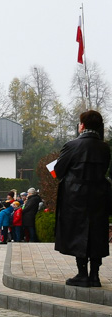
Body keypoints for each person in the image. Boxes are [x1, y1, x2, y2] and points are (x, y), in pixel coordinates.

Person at [55, 110, 112, 287]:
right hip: (99, 196)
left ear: (82, 126)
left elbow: (58, 171)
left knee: (78, 232)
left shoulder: (72, 145)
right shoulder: (105, 148)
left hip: (75, 197)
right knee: (97, 232)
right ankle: (94, 275)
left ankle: (82, 273)